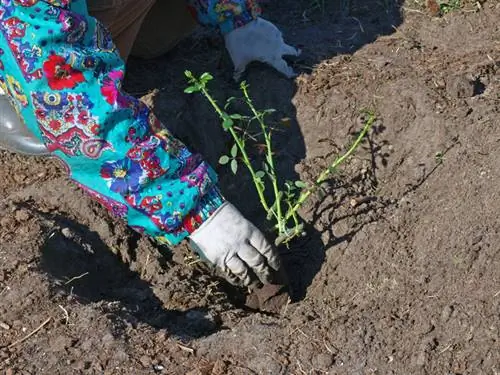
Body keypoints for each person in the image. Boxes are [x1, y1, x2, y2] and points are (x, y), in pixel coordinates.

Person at [0, 0, 299, 287]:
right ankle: (12, 89)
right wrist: (193, 209)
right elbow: (72, 105)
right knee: (51, 92)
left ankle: (110, 34)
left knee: (163, 31)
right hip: (26, 28)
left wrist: (235, 16)